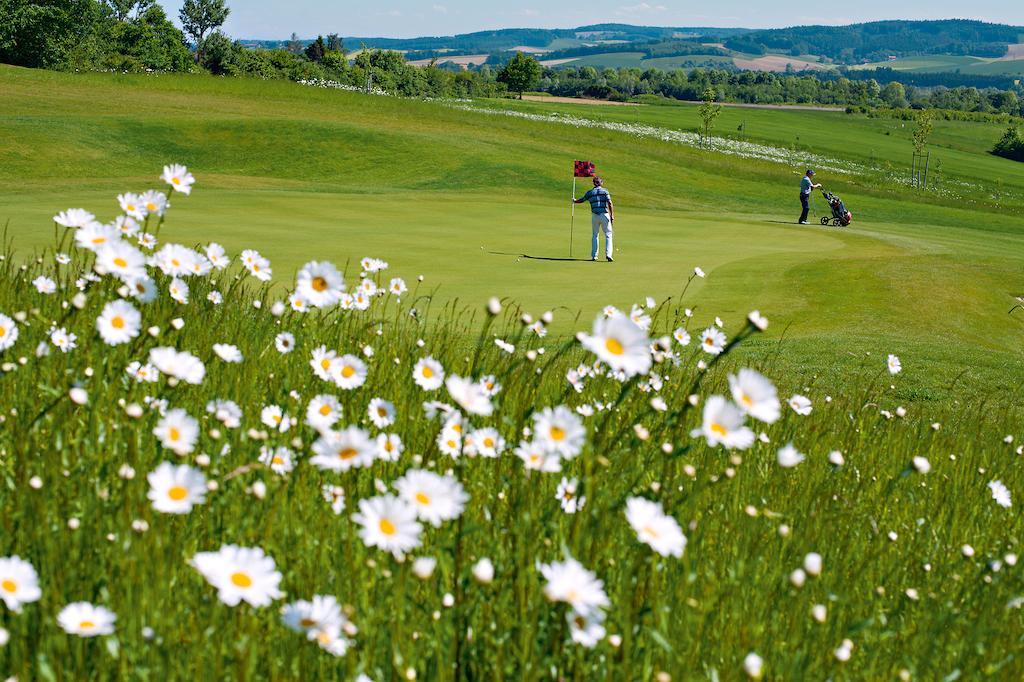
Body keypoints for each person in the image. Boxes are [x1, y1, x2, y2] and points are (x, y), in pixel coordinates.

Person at [574, 176, 614, 262]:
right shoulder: (605, 191)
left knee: (595, 235)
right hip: (604, 215)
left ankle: (594, 256)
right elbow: (610, 203)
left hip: (595, 215)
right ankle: (608, 254)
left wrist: (575, 201)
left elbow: (582, 200)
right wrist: (612, 216)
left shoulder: (590, 192)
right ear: (601, 183)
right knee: (608, 234)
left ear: (594, 183)